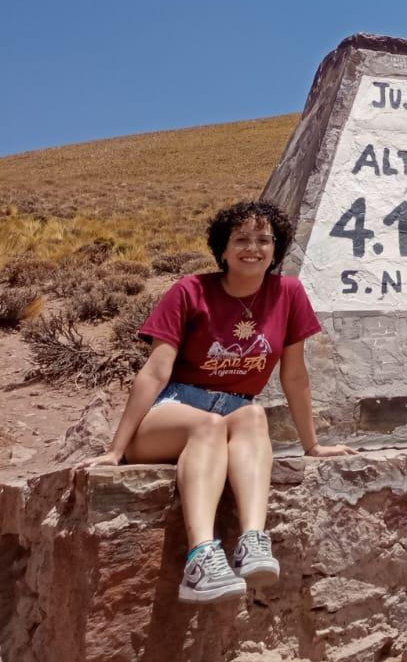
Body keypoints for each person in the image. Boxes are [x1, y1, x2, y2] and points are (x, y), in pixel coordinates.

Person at [80, 199, 352, 604]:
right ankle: (201, 559)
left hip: (234, 408)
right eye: (241, 239)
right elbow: (155, 372)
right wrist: (116, 451)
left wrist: (312, 445)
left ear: (276, 250)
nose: (253, 247)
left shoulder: (289, 294)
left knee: (253, 414)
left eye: (264, 240)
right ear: (222, 250)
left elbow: (294, 375)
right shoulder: (190, 291)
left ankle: (253, 540)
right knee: (208, 424)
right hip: (172, 411)